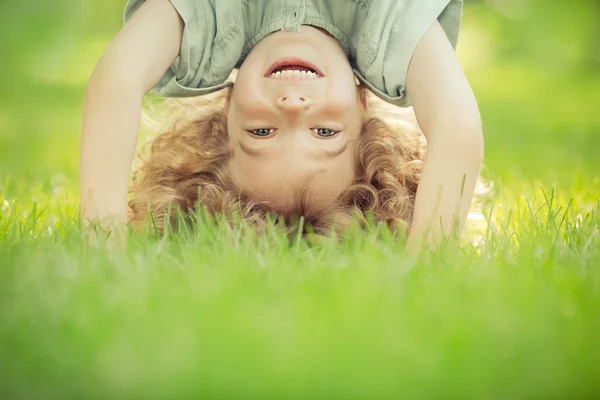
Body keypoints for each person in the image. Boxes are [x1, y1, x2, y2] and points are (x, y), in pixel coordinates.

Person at [80, 0, 483, 248]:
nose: (292, 107)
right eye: (325, 132)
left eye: (261, 132)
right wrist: (426, 266)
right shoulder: (389, 29)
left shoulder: (210, 21)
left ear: (228, 104)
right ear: (362, 104)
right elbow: (456, 126)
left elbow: (117, 78)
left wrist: (102, 245)